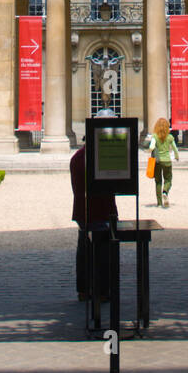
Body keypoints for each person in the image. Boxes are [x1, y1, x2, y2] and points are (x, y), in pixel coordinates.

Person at [70, 122, 118, 301]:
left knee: (84, 251)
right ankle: (103, 291)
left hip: (83, 211)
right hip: (101, 210)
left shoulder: (76, 157)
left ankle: (83, 289)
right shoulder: (100, 157)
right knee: (103, 253)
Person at [147, 117, 179, 207]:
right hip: (167, 160)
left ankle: (159, 203)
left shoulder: (155, 136)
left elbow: (152, 146)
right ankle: (165, 191)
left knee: (158, 182)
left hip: (157, 161)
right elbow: (175, 148)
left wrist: (148, 152)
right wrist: (177, 156)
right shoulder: (170, 137)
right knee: (168, 179)